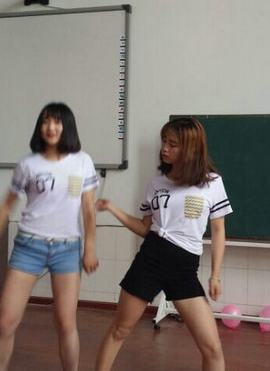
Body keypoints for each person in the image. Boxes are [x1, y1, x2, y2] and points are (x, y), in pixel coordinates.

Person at [95, 117, 232, 371]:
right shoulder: (156, 183)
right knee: (119, 329)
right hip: (151, 261)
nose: (165, 149)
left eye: (173, 144)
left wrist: (215, 275)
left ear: (190, 148)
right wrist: (114, 209)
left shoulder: (211, 182)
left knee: (212, 348)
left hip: (184, 269)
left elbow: (218, 230)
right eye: (164, 142)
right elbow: (145, 228)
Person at [0, 102, 98, 371]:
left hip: (68, 248)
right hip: (29, 246)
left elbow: (88, 209)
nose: (50, 127)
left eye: (57, 122)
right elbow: (6, 206)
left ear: (67, 126)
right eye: (45, 121)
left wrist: (90, 247)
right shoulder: (28, 163)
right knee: (5, 321)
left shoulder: (82, 161)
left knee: (66, 323)